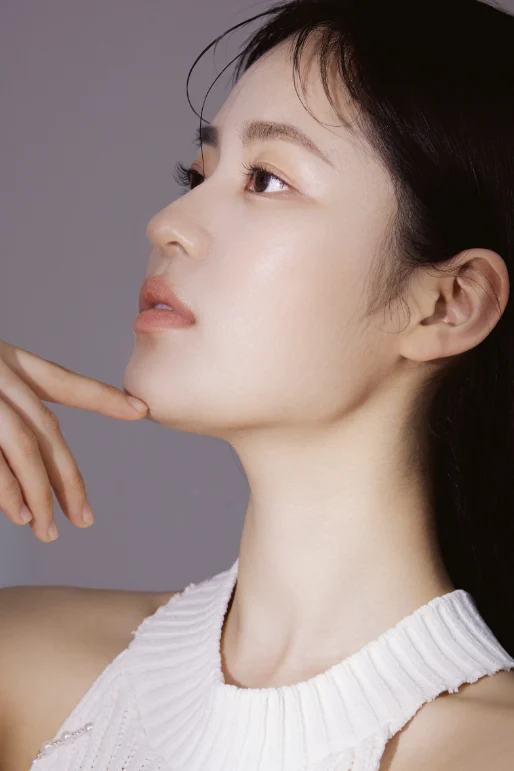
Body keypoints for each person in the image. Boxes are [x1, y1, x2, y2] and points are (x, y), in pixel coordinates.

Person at [1, 0, 514, 768]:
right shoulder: (24, 667)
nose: (168, 222)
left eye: (267, 180)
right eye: (198, 173)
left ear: (450, 304)